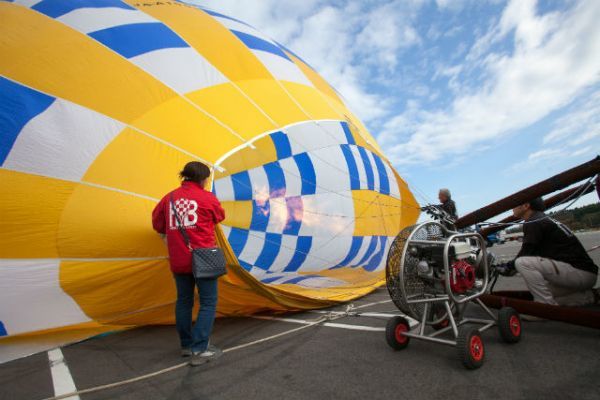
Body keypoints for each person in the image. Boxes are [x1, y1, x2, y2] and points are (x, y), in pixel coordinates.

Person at [152, 161, 226, 366]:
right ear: (202, 178)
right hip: (204, 259)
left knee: (184, 301)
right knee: (208, 302)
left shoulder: (169, 198)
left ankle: (186, 345)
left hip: (179, 259)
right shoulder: (206, 197)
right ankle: (200, 349)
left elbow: (157, 224)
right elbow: (219, 216)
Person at [509, 197, 598, 306]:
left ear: (526, 206)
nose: (511, 208)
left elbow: (526, 252)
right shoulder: (543, 218)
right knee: (545, 293)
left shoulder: (534, 221)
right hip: (586, 274)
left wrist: (508, 267)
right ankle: (590, 296)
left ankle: (544, 306)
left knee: (522, 263)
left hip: (578, 273)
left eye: (515, 205)